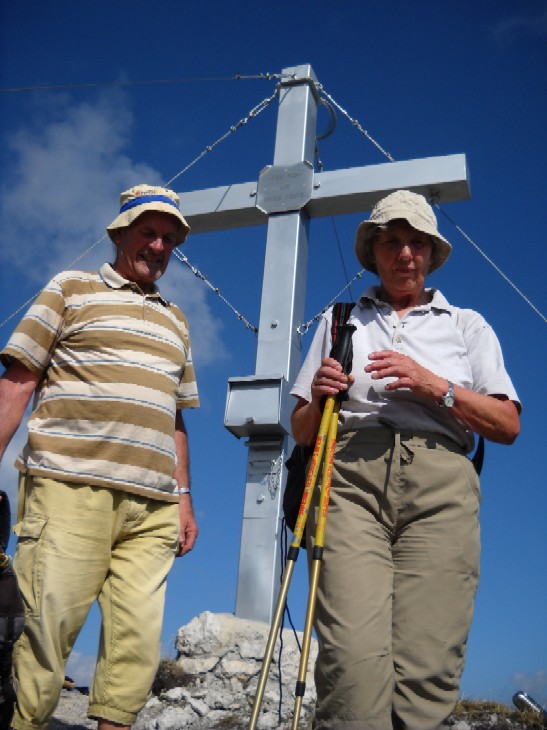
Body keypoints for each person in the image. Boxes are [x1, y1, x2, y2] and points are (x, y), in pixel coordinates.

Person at [290, 190, 521, 730]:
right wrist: (322, 396)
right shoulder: (340, 318)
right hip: (348, 480)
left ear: (431, 253)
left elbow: (507, 424)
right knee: (349, 662)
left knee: (428, 666)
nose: (405, 254)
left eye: (417, 242)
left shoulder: (466, 325)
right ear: (372, 251)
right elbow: (302, 429)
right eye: (391, 242)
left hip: (441, 489)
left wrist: (434, 386)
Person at [0, 184, 200, 730]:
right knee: (46, 634)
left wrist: (183, 498)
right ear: (120, 234)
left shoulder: (177, 321)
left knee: (135, 650)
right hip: (68, 487)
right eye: (148, 233)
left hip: (153, 506)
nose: (159, 246)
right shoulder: (70, 289)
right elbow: (17, 384)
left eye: (169, 239)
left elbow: (175, 417)